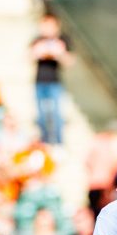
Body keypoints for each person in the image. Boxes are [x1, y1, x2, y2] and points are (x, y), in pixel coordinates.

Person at [30, 12, 73, 146]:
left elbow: (69, 61)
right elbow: (28, 57)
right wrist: (37, 52)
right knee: (42, 115)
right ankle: (45, 142)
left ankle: (59, 143)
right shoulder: (37, 41)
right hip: (39, 81)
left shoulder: (62, 41)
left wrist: (59, 54)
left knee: (56, 114)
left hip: (55, 82)